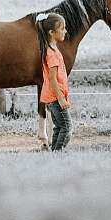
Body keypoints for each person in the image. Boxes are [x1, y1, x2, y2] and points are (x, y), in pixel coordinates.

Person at [36, 12, 72, 151]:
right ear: (52, 32)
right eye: (62, 28)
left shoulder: (51, 49)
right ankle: (58, 153)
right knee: (67, 127)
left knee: (59, 127)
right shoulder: (52, 54)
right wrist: (61, 98)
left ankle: (55, 154)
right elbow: (52, 79)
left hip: (51, 97)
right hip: (55, 98)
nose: (65, 31)